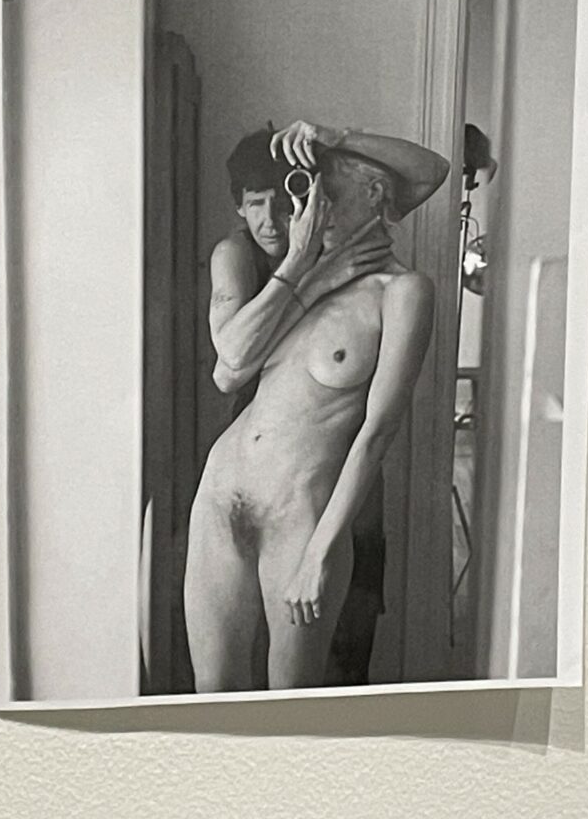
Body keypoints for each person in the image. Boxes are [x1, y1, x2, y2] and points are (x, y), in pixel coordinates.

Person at [184, 120, 449, 692]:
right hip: (219, 498)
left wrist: (320, 553)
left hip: (298, 520)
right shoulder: (306, 273)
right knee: (210, 700)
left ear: (375, 195)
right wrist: (307, 270)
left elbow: (377, 433)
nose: (310, 209)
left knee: (291, 707)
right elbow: (229, 368)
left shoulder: (404, 292)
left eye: (328, 193)